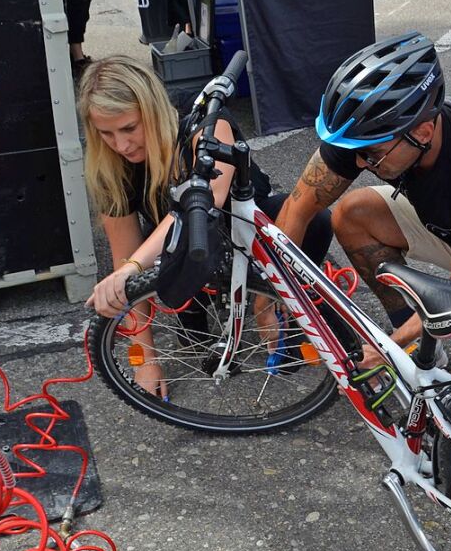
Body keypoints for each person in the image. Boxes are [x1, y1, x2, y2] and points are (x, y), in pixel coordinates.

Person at [272, 33, 451, 374]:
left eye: (372, 155)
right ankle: (415, 337)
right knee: (353, 213)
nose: (360, 163)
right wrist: (274, 292)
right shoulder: (367, 135)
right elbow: (296, 209)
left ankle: (429, 347)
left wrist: (386, 347)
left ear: (422, 133)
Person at [78, 57, 333, 395]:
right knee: (194, 340)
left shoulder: (205, 122)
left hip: (244, 230)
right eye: (106, 134)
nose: (121, 145)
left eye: (129, 128)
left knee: (316, 221)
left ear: (152, 110)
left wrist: (264, 304)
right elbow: (125, 258)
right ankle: (214, 303)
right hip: (186, 248)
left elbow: (204, 201)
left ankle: (276, 300)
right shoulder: (112, 165)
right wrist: (146, 359)